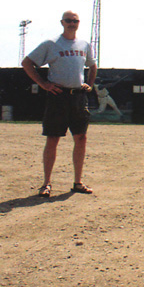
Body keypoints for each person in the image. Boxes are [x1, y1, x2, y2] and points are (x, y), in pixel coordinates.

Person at [21, 11, 98, 197]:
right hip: (58, 97)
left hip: (78, 97)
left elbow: (92, 65)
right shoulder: (51, 44)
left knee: (81, 138)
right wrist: (44, 84)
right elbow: (27, 63)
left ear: (79, 23)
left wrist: (90, 84)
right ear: (62, 22)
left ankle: (78, 182)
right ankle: (46, 183)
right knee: (53, 138)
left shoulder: (84, 44)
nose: (72, 23)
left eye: (75, 21)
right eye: (68, 21)